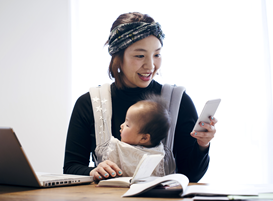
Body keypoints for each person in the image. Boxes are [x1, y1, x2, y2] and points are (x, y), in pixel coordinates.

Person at [63, 12, 217, 182]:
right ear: (117, 57)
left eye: (157, 54)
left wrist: (203, 145)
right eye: (140, 56)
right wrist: (92, 171)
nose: (150, 65)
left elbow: (192, 175)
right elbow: (71, 167)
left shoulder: (179, 101)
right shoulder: (89, 103)